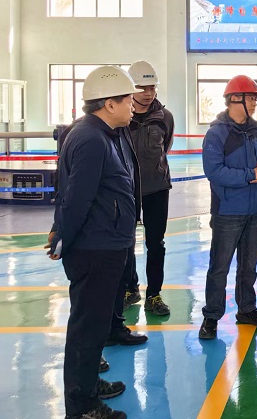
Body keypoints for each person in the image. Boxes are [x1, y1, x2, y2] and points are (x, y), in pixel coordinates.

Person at [48, 65, 144, 419]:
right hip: (94, 249)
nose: (133, 104)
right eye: (128, 99)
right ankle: (82, 406)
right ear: (108, 103)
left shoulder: (106, 133)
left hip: (107, 244)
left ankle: (88, 384)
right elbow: (76, 198)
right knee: (87, 330)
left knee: (96, 325)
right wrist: (62, 238)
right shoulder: (91, 138)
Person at [198, 75, 257, 340]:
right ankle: (211, 316)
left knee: (249, 266)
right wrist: (250, 175)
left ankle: (246, 309)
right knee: (219, 267)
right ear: (234, 99)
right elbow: (214, 171)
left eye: (255, 98)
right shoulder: (217, 133)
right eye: (251, 98)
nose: (254, 103)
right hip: (227, 212)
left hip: (255, 210)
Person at [122, 61, 175, 316]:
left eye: (152, 87)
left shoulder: (165, 117)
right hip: (126, 190)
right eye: (142, 88)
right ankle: (130, 288)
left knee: (156, 243)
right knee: (125, 241)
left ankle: (154, 294)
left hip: (157, 188)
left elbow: (166, 147)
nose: (148, 93)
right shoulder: (121, 117)